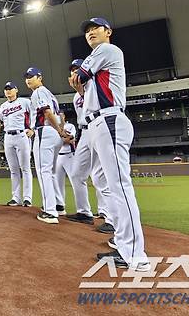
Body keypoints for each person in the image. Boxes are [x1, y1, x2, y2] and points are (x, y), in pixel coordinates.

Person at [73, 17, 149, 271]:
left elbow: (78, 77)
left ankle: (136, 256)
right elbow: (80, 83)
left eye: (95, 28)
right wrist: (81, 81)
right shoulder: (100, 61)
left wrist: (81, 79)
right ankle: (122, 239)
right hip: (97, 124)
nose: (91, 32)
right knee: (105, 182)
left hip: (109, 120)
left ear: (108, 32)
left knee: (120, 185)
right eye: (87, 31)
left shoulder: (106, 49)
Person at [65, 59, 114, 234]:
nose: (74, 73)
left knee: (101, 176)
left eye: (77, 69)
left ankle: (111, 218)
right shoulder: (75, 96)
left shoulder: (94, 85)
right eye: (72, 71)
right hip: (84, 132)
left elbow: (96, 106)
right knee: (77, 173)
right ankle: (84, 212)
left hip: (99, 126)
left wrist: (81, 91)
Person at [25, 67, 68, 224]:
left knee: (44, 172)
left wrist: (59, 130)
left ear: (40, 77)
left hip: (45, 132)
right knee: (51, 172)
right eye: (26, 77)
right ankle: (58, 205)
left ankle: (50, 211)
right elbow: (60, 115)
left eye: (31, 76)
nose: (28, 79)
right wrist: (60, 130)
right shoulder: (50, 94)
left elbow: (47, 113)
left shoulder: (38, 92)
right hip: (53, 134)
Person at [0, 81, 33, 207]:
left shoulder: (25, 102)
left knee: (25, 168)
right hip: (8, 136)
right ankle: (16, 197)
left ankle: (27, 198)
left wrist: (32, 128)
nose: (8, 91)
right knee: (13, 170)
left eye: (10, 89)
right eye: (6, 89)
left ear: (16, 90)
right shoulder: (3, 106)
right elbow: (2, 121)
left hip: (21, 135)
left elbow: (34, 113)